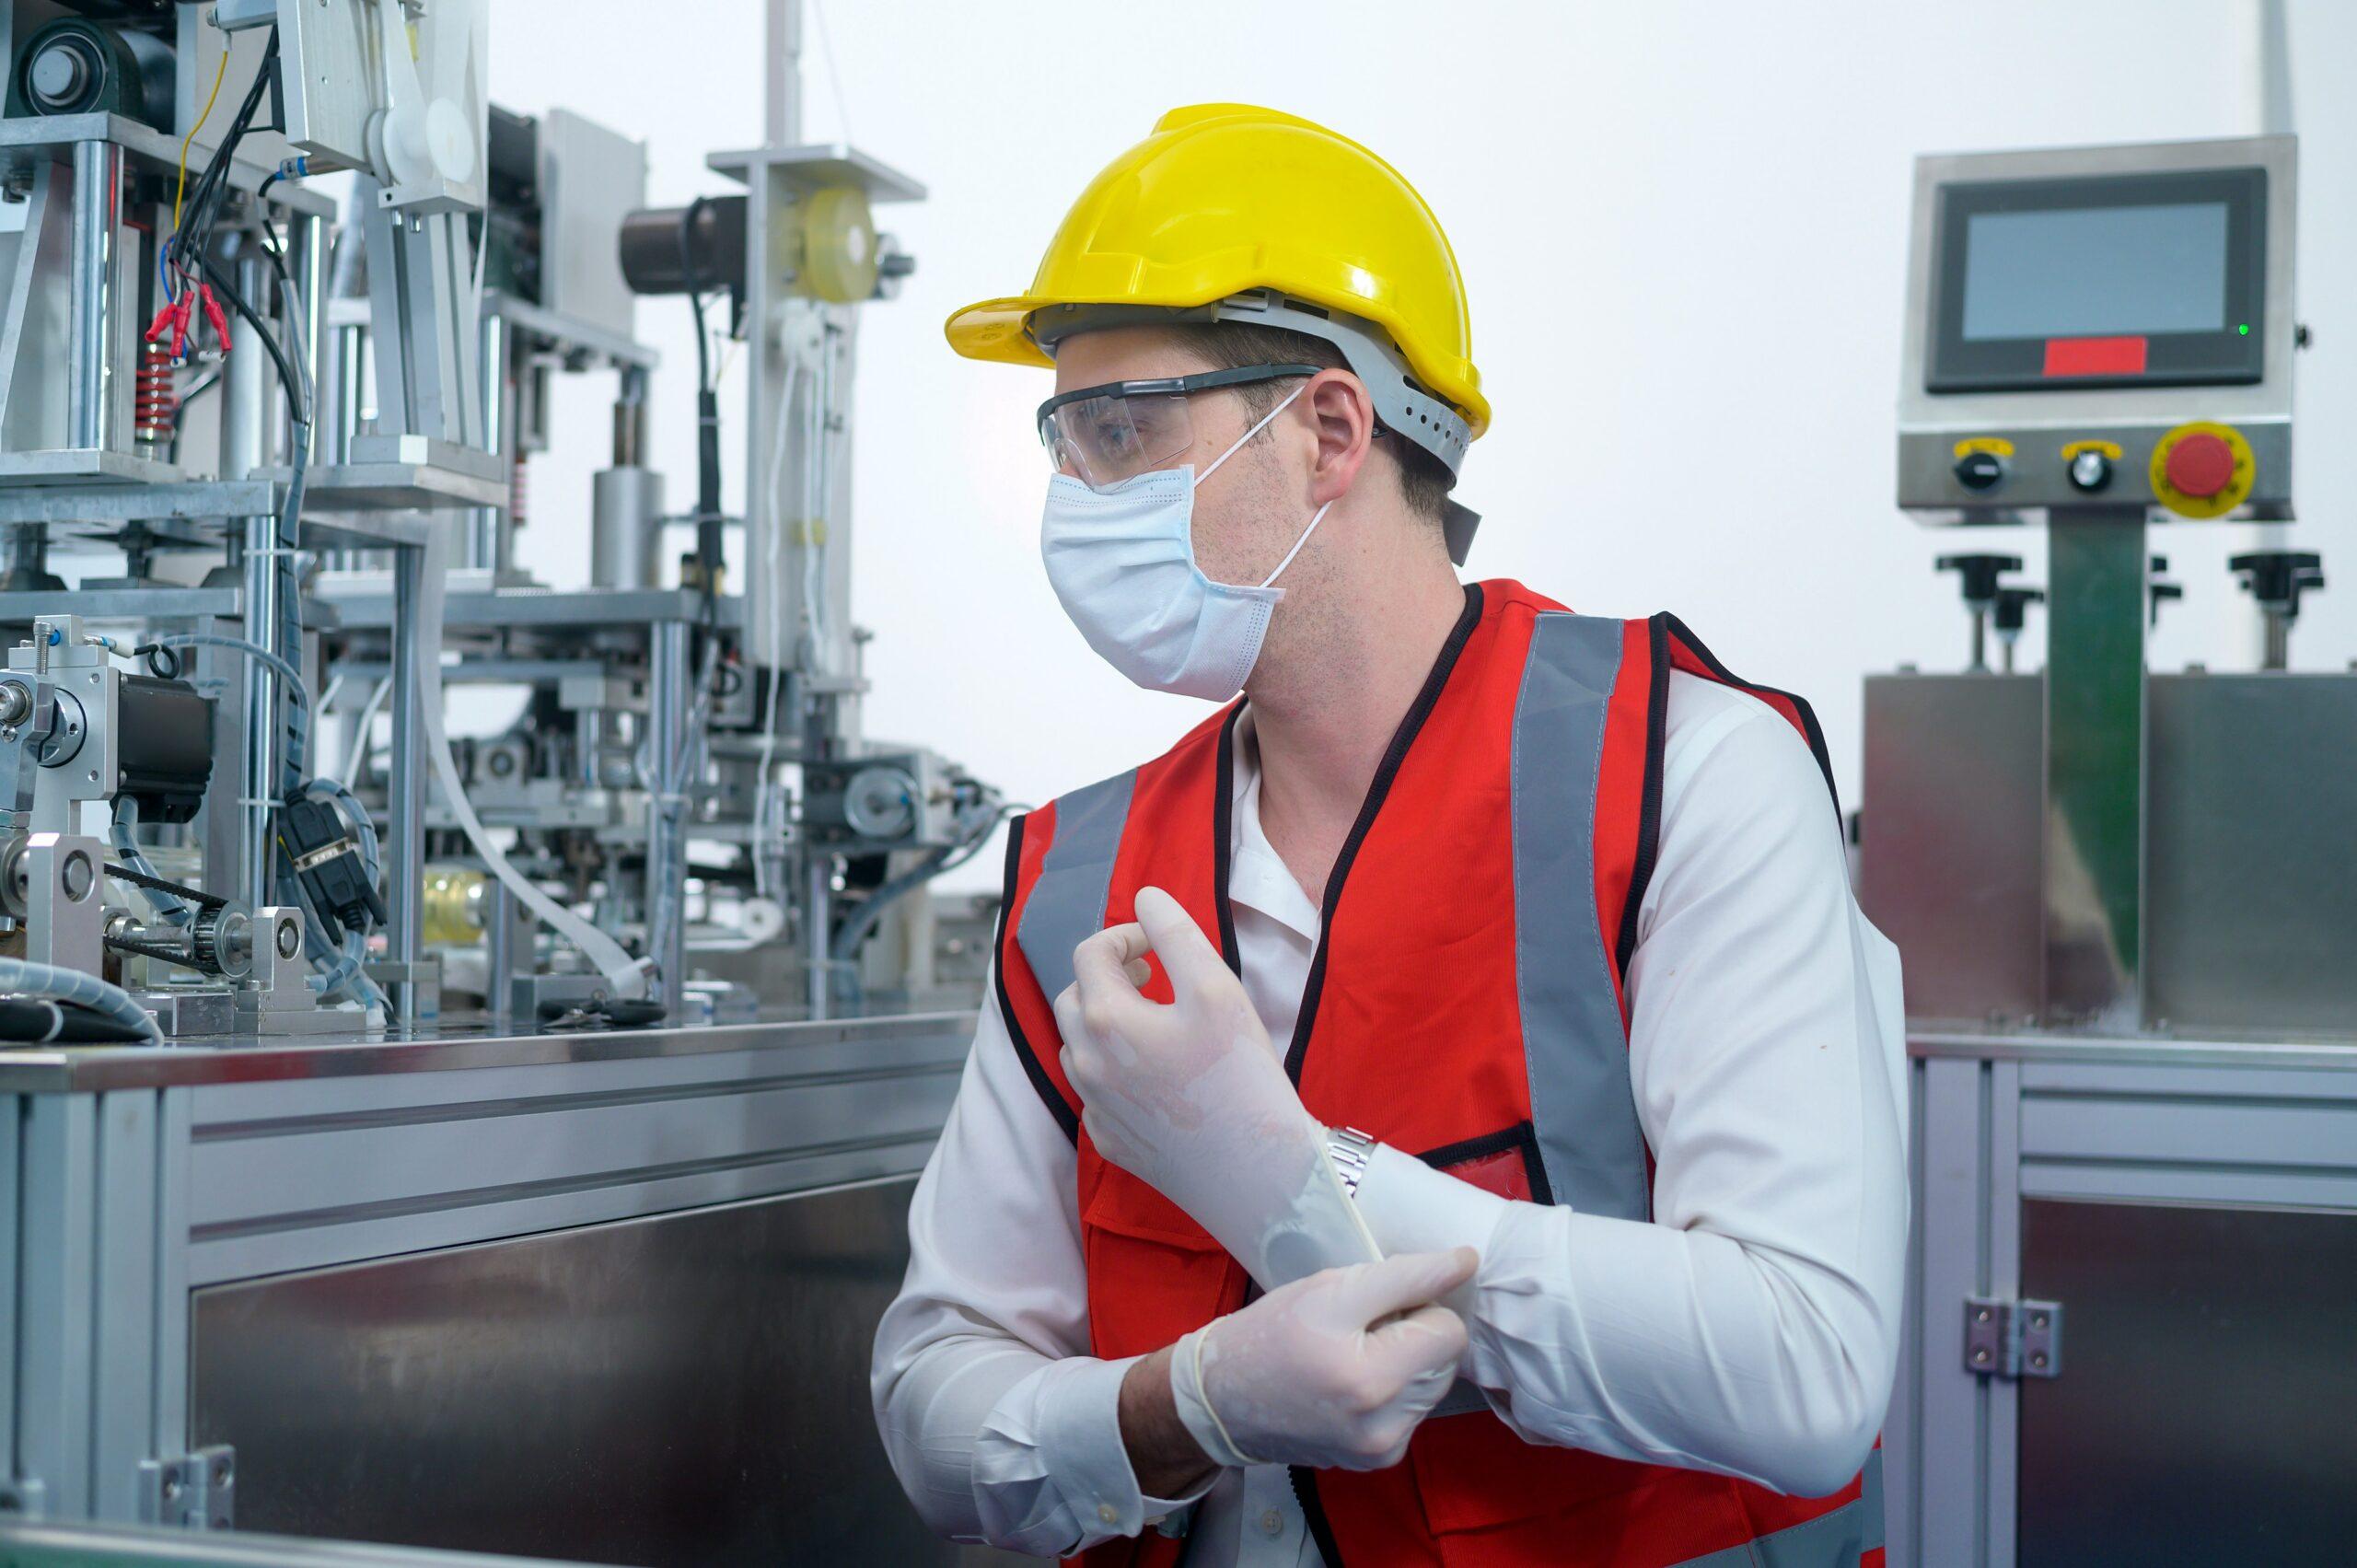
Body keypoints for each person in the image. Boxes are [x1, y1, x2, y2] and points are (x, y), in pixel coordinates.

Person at [872, 102, 1906, 1567]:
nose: (1072, 497)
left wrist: (1292, 1175)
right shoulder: (1078, 879)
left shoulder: (1691, 778)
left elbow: (1809, 1373)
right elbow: (934, 1396)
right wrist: (1189, 1405)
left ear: (1330, 430)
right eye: (1061, 436)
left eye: (1119, 430)